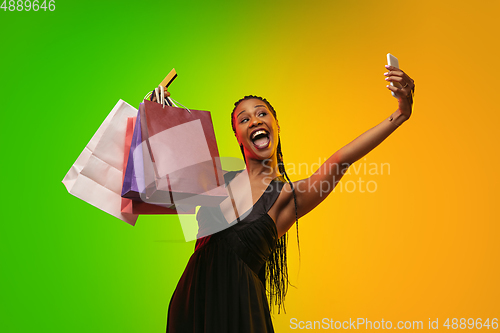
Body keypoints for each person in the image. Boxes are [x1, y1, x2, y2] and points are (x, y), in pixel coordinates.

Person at [156, 65, 415, 332]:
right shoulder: (215, 178)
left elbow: (341, 159)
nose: (254, 120)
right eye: (244, 119)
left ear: (276, 125)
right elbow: (157, 189)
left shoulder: (288, 197)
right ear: (237, 136)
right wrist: (155, 115)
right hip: (191, 305)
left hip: (239, 312)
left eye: (261, 114)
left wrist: (401, 113)